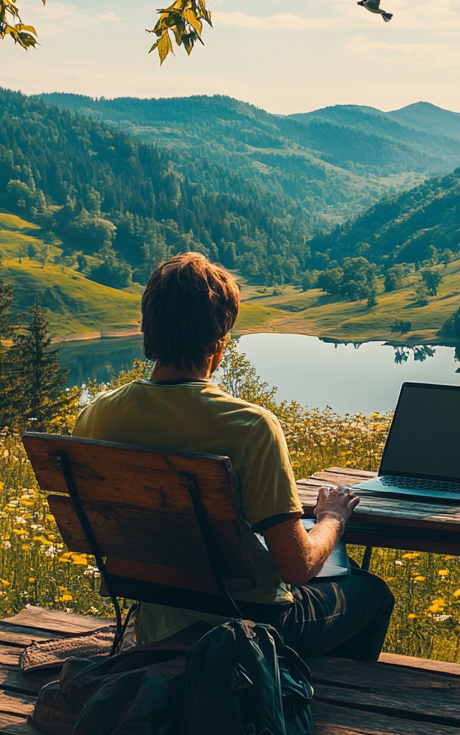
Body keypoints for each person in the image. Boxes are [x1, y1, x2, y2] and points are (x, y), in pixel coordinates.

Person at [73, 252, 394, 662]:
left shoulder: (97, 414)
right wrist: (332, 518)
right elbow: (297, 568)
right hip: (249, 628)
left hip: (156, 619)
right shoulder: (249, 426)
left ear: (147, 328)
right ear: (219, 340)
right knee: (372, 593)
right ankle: (306, 704)